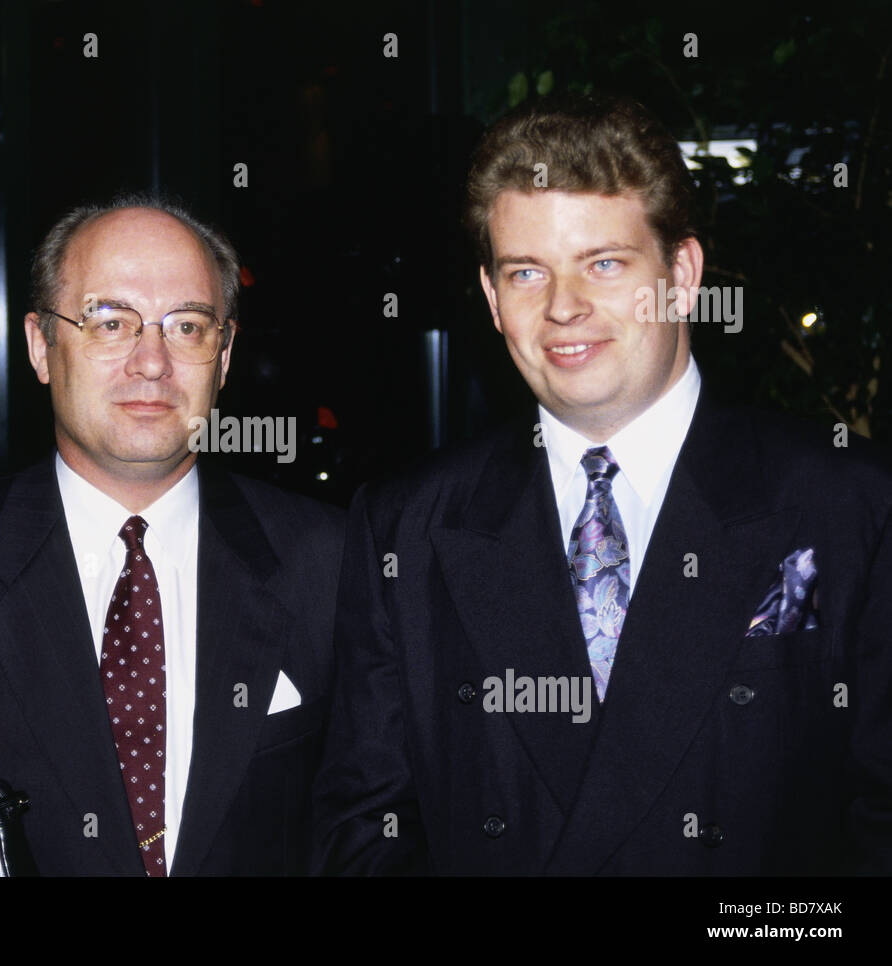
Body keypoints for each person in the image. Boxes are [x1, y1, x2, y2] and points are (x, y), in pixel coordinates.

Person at [312, 93, 892, 875]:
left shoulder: (850, 503)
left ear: (682, 274)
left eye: (604, 264)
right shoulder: (405, 527)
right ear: (491, 299)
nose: (563, 308)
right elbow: (364, 832)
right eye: (527, 272)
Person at [0, 194, 344, 875]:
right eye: (110, 322)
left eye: (188, 326)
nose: (151, 362)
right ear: (40, 346)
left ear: (225, 355)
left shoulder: (330, 562)